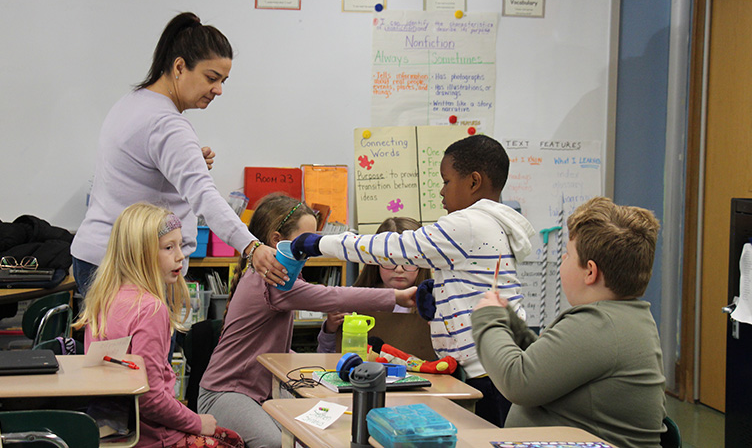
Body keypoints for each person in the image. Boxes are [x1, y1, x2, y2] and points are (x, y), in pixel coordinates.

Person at [291, 134, 536, 426]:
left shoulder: (468, 224)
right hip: (493, 365)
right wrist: (445, 297)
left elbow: (390, 247)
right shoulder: (492, 226)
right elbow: (477, 283)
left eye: (446, 181)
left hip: (485, 373)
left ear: (473, 182)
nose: (442, 192)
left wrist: (318, 244)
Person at [70, 11, 284, 295]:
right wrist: (251, 245)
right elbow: (204, 196)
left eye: (223, 81)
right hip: (134, 269)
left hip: (97, 257)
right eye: (211, 78)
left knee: (107, 342)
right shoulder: (168, 125)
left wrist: (186, 159)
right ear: (180, 67)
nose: (218, 90)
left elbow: (139, 169)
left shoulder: (133, 102)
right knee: (146, 342)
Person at [198, 194, 416, 448]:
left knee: (312, 433)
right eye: (305, 243)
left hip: (261, 393)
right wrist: (397, 297)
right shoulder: (273, 281)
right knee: (275, 443)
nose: (310, 252)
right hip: (226, 394)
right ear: (277, 241)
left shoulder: (281, 275)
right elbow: (332, 296)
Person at [471, 197, 666, 447]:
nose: (562, 260)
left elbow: (517, 381)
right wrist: (515, 328)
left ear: (590, 272)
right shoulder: (622, 317)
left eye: (567, 255)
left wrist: (488, 319)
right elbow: (547, 366)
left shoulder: (599, 325)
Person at [72, 203, 243, 448]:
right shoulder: (151, 309)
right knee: (233, 441)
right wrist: (196, 421)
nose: (180, 255)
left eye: (180, 245)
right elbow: (149, 397)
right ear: (140, 253)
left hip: (119, 430)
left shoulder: (103, 297)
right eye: (168, 247)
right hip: (154, 437)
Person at [316, 216, 432, 353]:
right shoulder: (355, 299)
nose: (399, 269)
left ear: (423, 264)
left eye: (409, 261)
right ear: (374, 261)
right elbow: (325, 354)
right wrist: (330, 328)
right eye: (390, 260)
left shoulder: (432, 303)